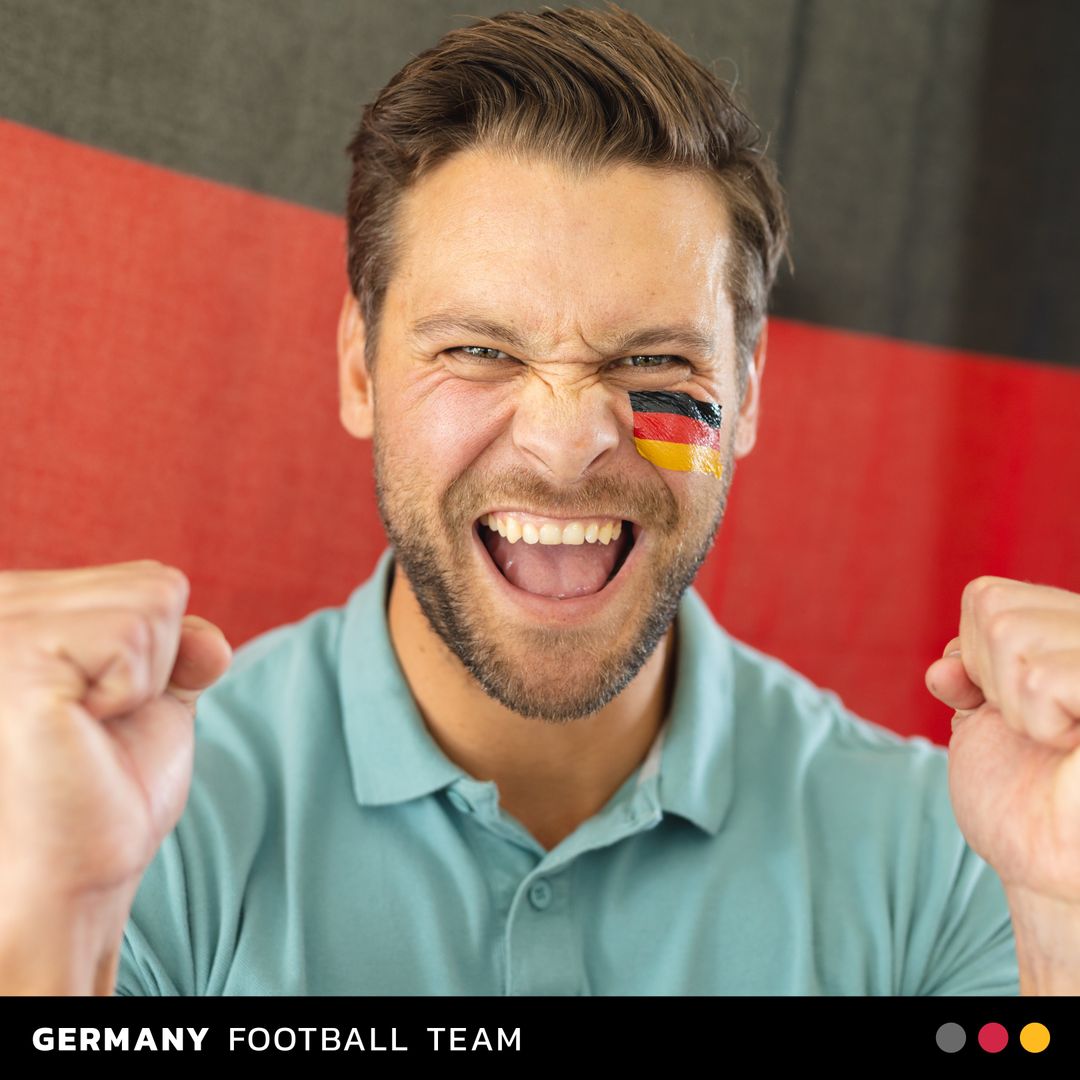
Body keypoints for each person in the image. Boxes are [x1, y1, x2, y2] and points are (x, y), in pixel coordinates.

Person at [2, 4, 1079, 997]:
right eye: (478, 349)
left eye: (654, 361)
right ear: (361, 372)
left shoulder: (950, 853)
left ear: (744, 398)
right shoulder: (139, 817)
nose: (568, 447)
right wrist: (50, 925)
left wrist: (1061, 926)